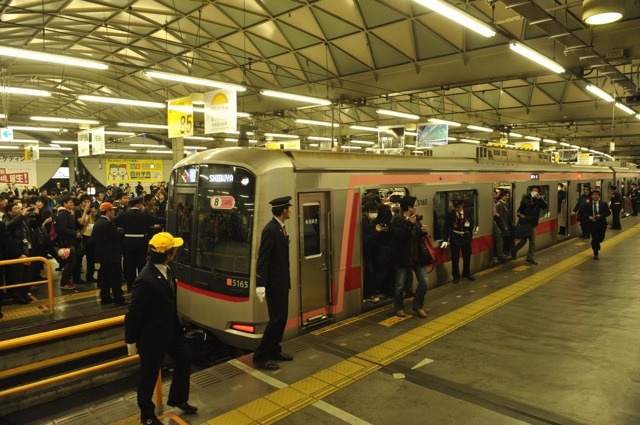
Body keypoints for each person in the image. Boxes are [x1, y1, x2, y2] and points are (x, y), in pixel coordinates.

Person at [125, 232, 197, 425]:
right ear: (168, 254)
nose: (176, 252)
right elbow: (133, 313)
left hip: (172, 330)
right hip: (152, 336)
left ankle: (178, 399)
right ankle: (147, 415)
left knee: (185, 359)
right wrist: (130, 340)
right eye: (174, 249)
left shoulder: (166, 270)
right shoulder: (145, 279)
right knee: (149, 375)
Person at [253, 196, 294, 371]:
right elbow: (263, 259)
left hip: (282, 283)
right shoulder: (271, 229)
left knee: (281, 319)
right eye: (289, 209)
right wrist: (260, 284)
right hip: (274, 285)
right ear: (284, 211)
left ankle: (275, 349)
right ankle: (261, 356)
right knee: (276, 320)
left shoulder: (280, 228)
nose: (290, 211)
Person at [389, 195, 430, 318]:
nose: (416, 207)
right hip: (403, 257)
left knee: (424, 282)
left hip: (417, 256)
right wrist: (409, 225)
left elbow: (417, 237)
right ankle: (399, 307)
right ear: (409, 207)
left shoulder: (414, 219)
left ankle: (418, 305)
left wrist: (423, 232)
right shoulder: (397, 220)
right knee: (400, 285)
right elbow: (398, 237)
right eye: (415, 205)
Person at [115, 196, 164, 292]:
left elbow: (114, 222)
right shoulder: (143, 215)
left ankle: (130, 286)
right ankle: (141, 286)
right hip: (141, 243)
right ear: (138, 204)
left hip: (127, 243)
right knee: (141, 265)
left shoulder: (123, 215)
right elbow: (157, 220)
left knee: (129, 266)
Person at [93, 202, 127, 305]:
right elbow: (117, 235)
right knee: (116, 278)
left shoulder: (97, 223)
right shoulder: (108, 223)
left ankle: (105, 297)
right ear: (107, 211)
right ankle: (119, 298)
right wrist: (121, 230)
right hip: (112, 255)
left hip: (103, 256)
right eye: (112, 210)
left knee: (105, 278)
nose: (113, 212)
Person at [512, 186, 548, 265]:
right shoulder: (525, 199)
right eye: (533, 190)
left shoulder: (539, 200)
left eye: (536, 191)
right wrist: (520, 215)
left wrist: (540, 199)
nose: (535, 192)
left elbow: (545, 206)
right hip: (525, 223)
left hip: (533, 224)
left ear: (538, 192)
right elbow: (519, 210)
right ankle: (514, 250)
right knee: (524, 241)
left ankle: (530, 257)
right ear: (530, 191)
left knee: (532, 242)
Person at [442, 199, 475, 283]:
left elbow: (471, 225)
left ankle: (466, 273)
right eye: (455, 207)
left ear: (462, 205)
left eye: (459, 207)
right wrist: (445, 240)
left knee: (467, 257)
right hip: (455, 238)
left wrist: (470, 236)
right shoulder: (450, 215)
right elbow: (446, 228)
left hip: (466, 238)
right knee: (455, 259)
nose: (457, 209)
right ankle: (456, 276)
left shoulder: (468, 213)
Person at [580, 190, 610, 259]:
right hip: (592, 224)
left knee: (601, 238)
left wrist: (601, 215)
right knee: (595, 237)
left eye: (597, 194)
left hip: (602, 224)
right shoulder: (587, 205)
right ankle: (595, 252)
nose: (595, 196)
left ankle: (597, 244)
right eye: (594, 194)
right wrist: (589, 217)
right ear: (592, 196)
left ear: (599, 196)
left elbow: (608, 212)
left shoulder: (603, 204)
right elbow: (583, 213)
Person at [491, 189, 510, 262]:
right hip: (493, 221)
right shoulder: (498, 204)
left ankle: (501, 253)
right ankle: (500, 255)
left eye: (495, 194)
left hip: (494, 221)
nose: (494, 195)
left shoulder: (494, 202)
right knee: (499, 236)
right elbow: (497, 214)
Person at [495, 190, 514, 258]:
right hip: (503, 225)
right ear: (502, 196)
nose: (507, 197)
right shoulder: (499, 204)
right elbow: (500, 217)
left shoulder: (504, 203)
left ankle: (506, 251)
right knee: (504, 239)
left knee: (507, 239)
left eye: (508, 196)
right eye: (506, 196)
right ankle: (503, 252)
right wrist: (504, 226)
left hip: (507, 224)